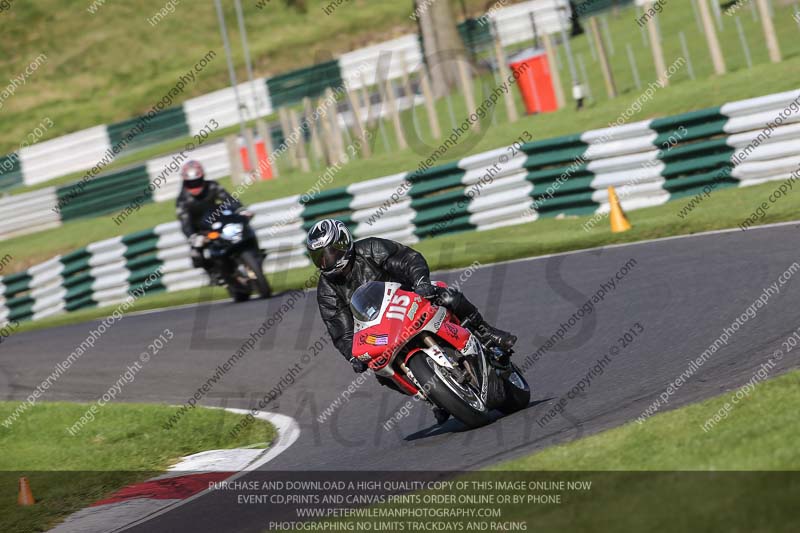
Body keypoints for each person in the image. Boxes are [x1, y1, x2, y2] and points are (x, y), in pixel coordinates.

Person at [307, 219, 517, 424]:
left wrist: (421, 282)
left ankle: (486, 332)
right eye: (319, 257)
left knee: (447, 296)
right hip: (378, 327)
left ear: (343, 243)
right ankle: (432, 397)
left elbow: (407, 259)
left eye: (329, 253)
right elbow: (340, 328)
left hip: (410, 297)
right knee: (380, 371)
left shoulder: (370, 248)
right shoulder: (326, 290)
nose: (325, 261)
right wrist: (352, 356)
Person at [175, 160, 246, 279]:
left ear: (202, 177)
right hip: (200, 230)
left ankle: (253, 253)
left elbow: (228, 199)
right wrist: (192, 236)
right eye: (190, 183)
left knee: (242, 228)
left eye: (197, 181)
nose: (194, 185)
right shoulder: (182, 200)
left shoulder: (212, 186)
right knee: (196, 255)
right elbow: (184, 221)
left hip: (219, 221)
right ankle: (213, 274)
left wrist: (240, 209)